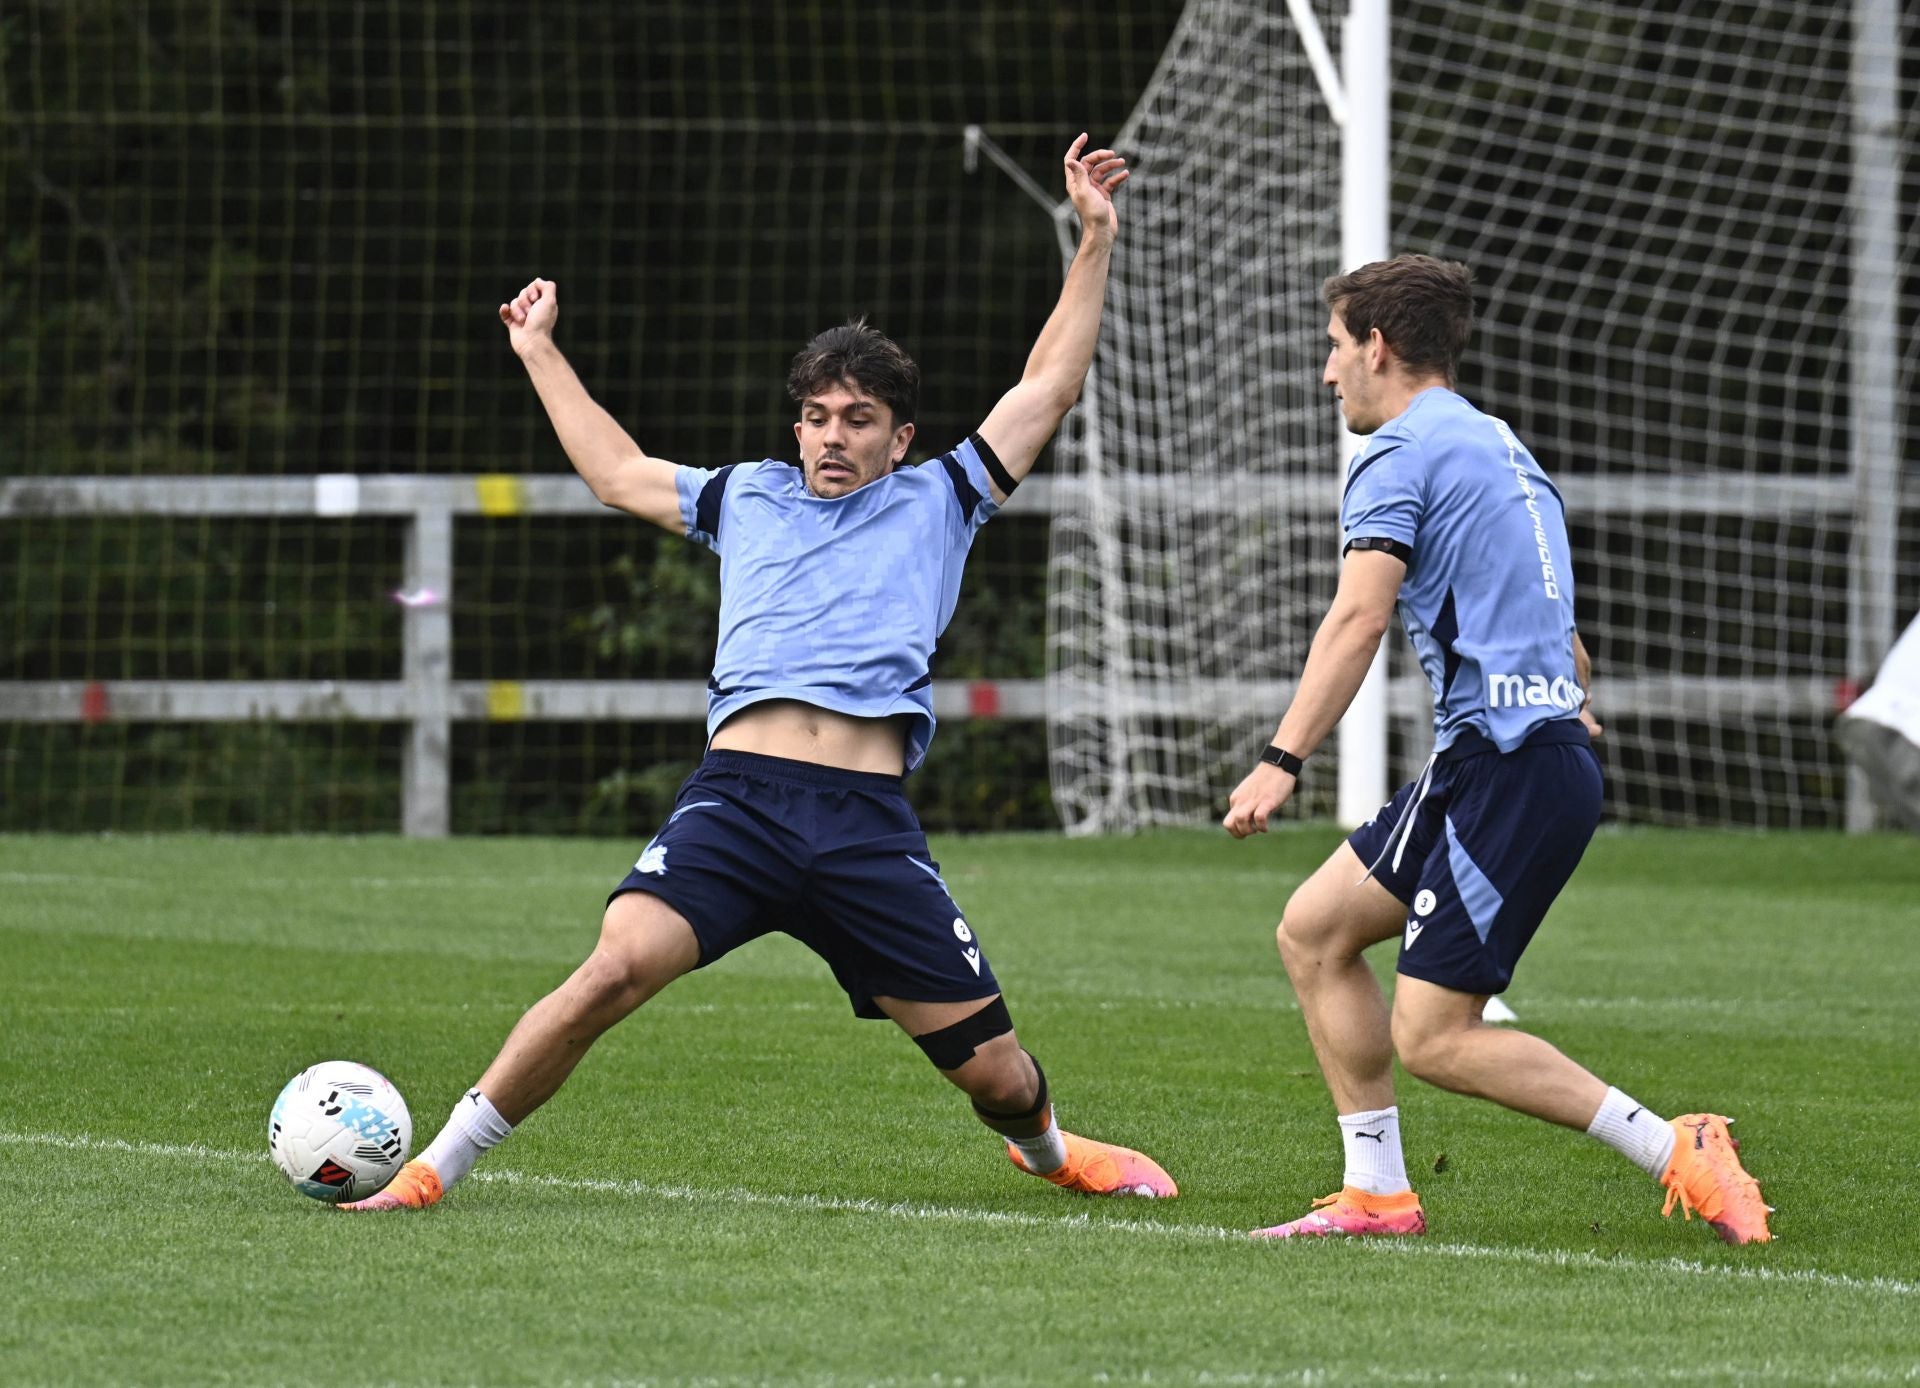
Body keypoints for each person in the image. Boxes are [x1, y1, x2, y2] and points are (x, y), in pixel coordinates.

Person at [343, 135, 1175, 1212]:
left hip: (866, 822)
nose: (833, 438)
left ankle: (1053, 1151)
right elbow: (613, 471)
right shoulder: (747, 495)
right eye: (818, 416)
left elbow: (1049, 384)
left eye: (858, 421)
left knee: (998, 1077)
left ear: (898, 437)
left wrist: (1094, 238)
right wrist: (539, 349)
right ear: (798, 423)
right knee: (610, 969)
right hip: (736, 804)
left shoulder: (945, 496)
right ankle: (428, 1170)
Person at [1221, 254, 1770, 1245]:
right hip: (1500, 755)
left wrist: (1281, 757)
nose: (1326, 370)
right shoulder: (1504, 450)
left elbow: (1357, 618)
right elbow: (1565, 634)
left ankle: (1676, 1143)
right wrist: (1565, 700)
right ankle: (1377, 1192)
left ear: (1377, 346)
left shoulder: (1396, 453)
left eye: (1337, 346)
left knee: (1433, 1036)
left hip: (1510, 771)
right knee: (1314, 930)